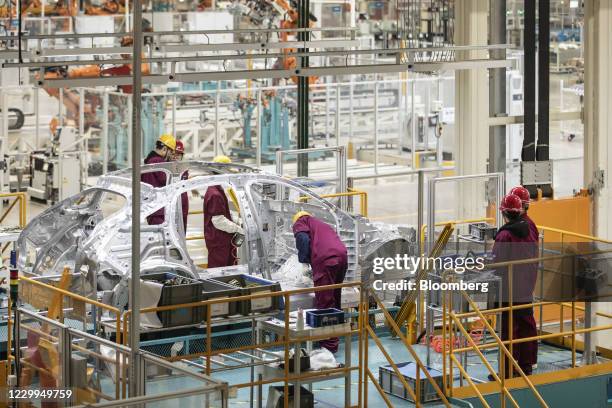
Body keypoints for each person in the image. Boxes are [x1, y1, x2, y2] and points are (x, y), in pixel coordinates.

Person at [491, 194, 539, 378]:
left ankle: (507, 371)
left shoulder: (504, 235)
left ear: (504, 213)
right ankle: (526, 366)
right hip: (526, 285)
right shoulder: (529, 227)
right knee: (526, 325)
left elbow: (497, 263)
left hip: (509, 289)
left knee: (508, 329)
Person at [292, 211, 348, 353]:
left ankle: (329, 346)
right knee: (335, 297)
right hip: (341, 256)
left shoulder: (301, 221)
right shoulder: (321, 224)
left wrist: (304, 263)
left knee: (325, 301)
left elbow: (302, 239)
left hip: (326, 260)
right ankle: (335, 335)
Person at [203, 155, 244, 268]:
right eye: (227, 171)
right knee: (219, 271)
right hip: (219, 241)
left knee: (228, 269)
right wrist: (238, 229)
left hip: (223, 240)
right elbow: (219, 221)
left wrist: (237, 221)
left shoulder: (217, 189)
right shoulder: (215, 193)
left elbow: (223, 213)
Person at [142, 134, 176, 225]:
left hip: (152, 208)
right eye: (170, 152)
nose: (170, 155)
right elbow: (168, 180)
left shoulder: (149, 161)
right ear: (165, 148)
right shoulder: (158, 161)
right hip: (159, 209)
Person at [172, 140, 189, 232]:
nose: (176, 157)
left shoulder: (184, 169)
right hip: (172, 207)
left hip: (183, 206)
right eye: (174, 154)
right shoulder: (165, 170)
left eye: (178, 154)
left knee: (182, 232)